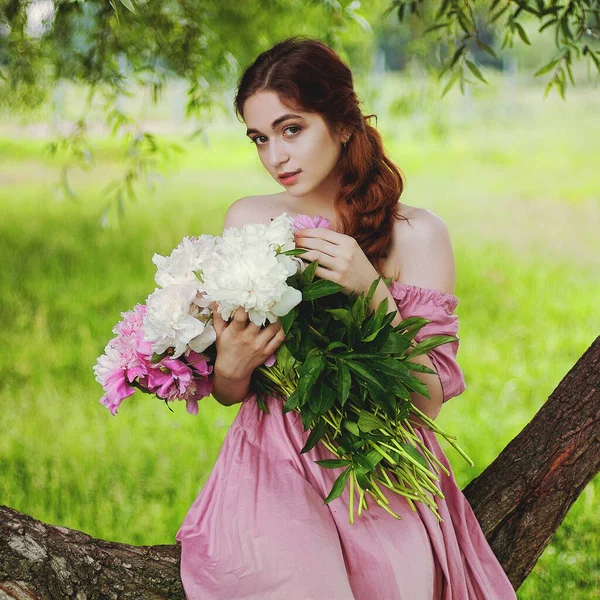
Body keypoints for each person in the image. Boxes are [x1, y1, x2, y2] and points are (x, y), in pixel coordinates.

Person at [176, 36, 517, 600]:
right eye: (259, 139)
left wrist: (372, 294)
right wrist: (230, 368)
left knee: (399, 581)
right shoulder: (250, 219)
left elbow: (426, 400)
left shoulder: (418, 234)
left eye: (291, 129)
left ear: (341, 124)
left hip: (377, 461)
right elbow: (235, 389)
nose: (274, 157)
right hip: (274, 460)